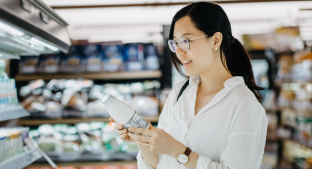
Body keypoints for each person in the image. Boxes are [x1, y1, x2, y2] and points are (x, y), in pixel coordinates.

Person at [109, 2, 268, 169]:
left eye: (186, 41)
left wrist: (177, 150)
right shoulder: (180, 92)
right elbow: (159, 164)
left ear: (215, 40)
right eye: (175, 43)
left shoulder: (244, 104)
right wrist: (142, 140)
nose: (178, 51)